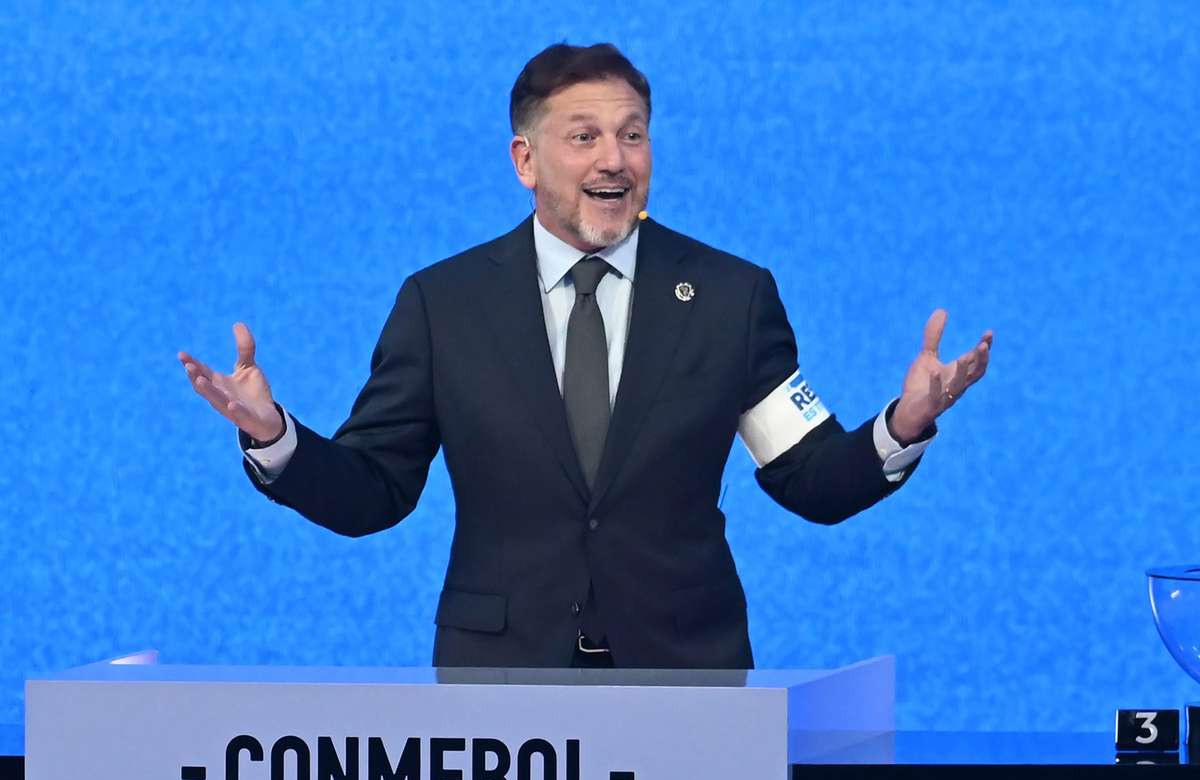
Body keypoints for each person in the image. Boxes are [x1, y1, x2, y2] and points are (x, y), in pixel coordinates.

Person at [180, 43, 992, 670]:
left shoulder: (730, 298)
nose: (615, 159)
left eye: (633, 135)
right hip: (502, 688)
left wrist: (904, 422)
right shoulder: (443, 305)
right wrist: (275, 437)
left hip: (686, 677)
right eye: (585, 137)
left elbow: (811, 478)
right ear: (525, 161)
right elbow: (374, 492)